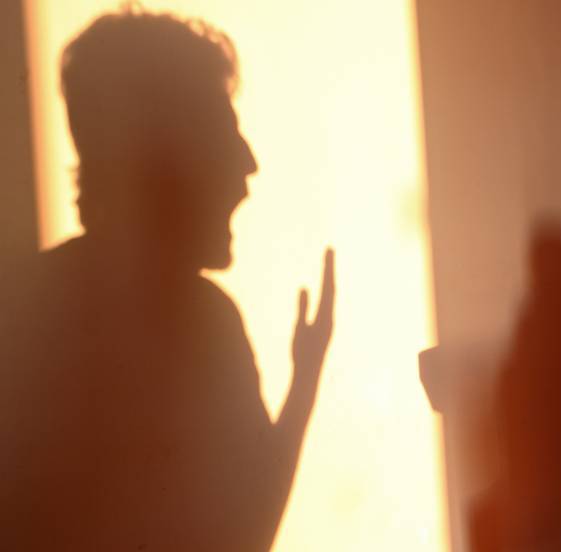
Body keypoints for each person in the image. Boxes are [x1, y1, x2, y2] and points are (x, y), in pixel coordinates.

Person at [0, 8, 333, 550]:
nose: (248, 165)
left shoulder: (22, 308)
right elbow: (243, 537)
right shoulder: (203, 324)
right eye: (224, 136)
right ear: (165, 155)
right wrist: (302, 390)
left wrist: (304, 382)